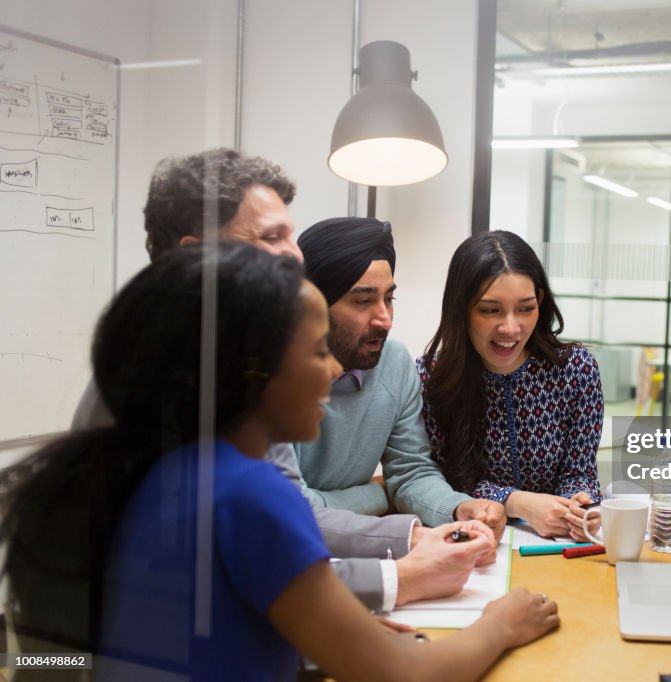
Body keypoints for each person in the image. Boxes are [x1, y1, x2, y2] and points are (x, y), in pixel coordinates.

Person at [0, 243, 558, 680]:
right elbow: (404, 673)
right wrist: (500, 625)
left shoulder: (160, 475)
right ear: (252, 373)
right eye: (317, 351)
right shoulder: (249, 493)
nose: (334, 371)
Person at [71, 148, 485, 613]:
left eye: (291, 235)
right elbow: (272, 545)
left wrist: (419, 531)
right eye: (272, 236)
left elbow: (270, 537)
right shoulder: (164, 377)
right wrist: (400, 574)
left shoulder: (231, 360)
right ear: (196, 258)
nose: (294, 254)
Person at [294, 217, 507, 537]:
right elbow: (291, 509)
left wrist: (459, 508)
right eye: (363, 301)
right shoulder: (274, 376)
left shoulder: (394, 363)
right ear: (314, 303)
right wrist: (378, 494)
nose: (384, 318)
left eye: (389, 298)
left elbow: (410, 473)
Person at [416, 231, 604, 541]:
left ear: (540, 303)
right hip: (474, 544)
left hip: (556, 548)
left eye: (526, 308)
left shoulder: (575, 369)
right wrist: (520, 503)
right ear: (460, 309)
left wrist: (578, 506)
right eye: (490, 310)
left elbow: (579, 471)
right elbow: (436, 481)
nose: (511, 328)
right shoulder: (430, 378)